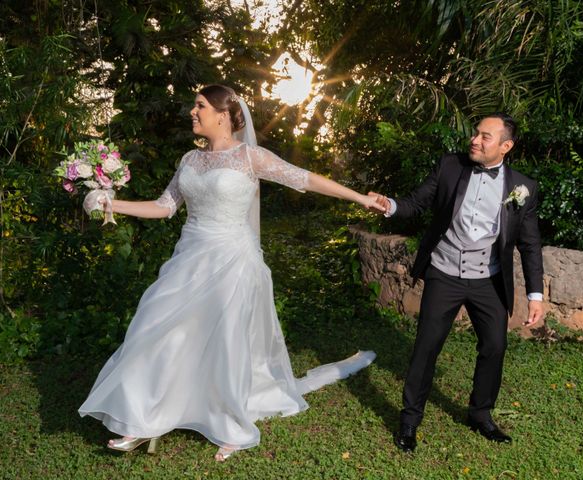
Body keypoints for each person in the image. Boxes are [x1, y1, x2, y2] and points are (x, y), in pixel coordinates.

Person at [78, 84, 382, 461]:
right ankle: (142, 421)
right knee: (158, 330)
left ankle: (232, 425)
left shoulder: (249, 157)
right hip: (189, 260)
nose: (193, 111)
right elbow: (164, 206)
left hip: (233, 261)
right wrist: (113, 203)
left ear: (222, 115)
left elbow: (304, 178)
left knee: (226, 343)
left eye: (200, 105)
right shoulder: (189, 160)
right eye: (194, 105)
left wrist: (360, 197)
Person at [368, 113, 544, 451]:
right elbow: (415, 203)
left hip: (488, 280)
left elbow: (530, 244)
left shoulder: (523, 188)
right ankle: (409, 421)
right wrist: (388, 205)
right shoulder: (450, 166)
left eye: (485, 137)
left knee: (494, 346)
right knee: (426, 346)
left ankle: (480, 414)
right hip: (444, 273)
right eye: (475, 134)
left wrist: (535, 295)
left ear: (505, 146)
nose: (474, 141)